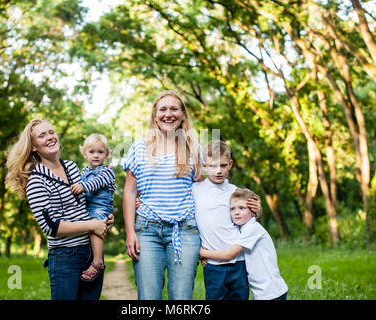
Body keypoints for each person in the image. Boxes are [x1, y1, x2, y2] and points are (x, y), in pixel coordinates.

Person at [5, 119, 114, 300]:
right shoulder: (36, 181)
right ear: (33, 146)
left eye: (51, 132)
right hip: (65, 257)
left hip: (90, 252)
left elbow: (83, 204)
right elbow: (51, 227)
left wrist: (103, 219)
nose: (49, 137)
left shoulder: (72, 167)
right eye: (42, 135)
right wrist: (91, 225)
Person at [123, 90, 202, 300]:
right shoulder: (139, 147)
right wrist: (130, 232)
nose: (169, 114)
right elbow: (130, 192)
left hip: (185, 230)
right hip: (147, 231)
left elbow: (206, 192)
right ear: (154, 115)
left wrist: (244, 202)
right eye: (163, 109)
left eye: (174, 109)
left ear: (183, 114)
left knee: (181, 298)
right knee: (148, 297)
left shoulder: (194, 148)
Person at [193, 140, 262, 300]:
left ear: (230, 164)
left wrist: (258, 210)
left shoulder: (235, 192)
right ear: (204, 165)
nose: (218, 171)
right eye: (212, 166)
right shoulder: (195, 190)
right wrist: (141, 202)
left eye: (223, 165)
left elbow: (252, 217)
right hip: (213, 265)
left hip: (239, 261)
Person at [199, 188, 288, 300]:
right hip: (262, 292)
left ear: (253, 210)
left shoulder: (253, 229)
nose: (236, 212)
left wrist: (202, 252)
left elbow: (228, 255)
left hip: (272, 292)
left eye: (242, 208)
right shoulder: (242, 229)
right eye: (232, 209)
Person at [70, 134, 116, 282]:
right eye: (92, 152)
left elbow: (98, 182)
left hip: (101, 207)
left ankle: (97, 262)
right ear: (85, 154)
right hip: (87, 206)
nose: (96, 155)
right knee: (84, 228)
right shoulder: (83, 172)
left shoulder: (107, 171)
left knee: (95, 224)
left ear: (107, 154)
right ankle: (88, 258)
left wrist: (82, 186)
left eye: (100, 152)